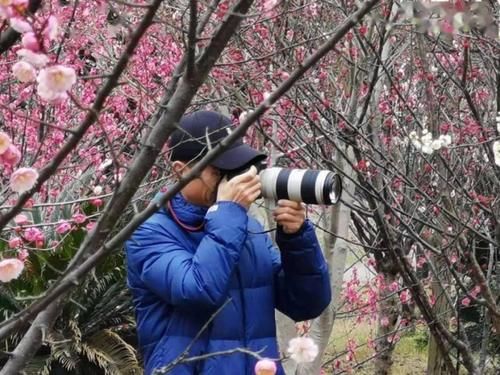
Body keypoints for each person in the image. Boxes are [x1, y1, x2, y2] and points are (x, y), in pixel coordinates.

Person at [125, 110, 331, 375]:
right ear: (182, 170)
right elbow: (197, 290)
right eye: (219, 171)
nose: (231, 179)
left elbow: (306, 303)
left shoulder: (245, 227)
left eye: (236, 167)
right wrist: (228, 213)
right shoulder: (150, 233)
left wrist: (297, 238)